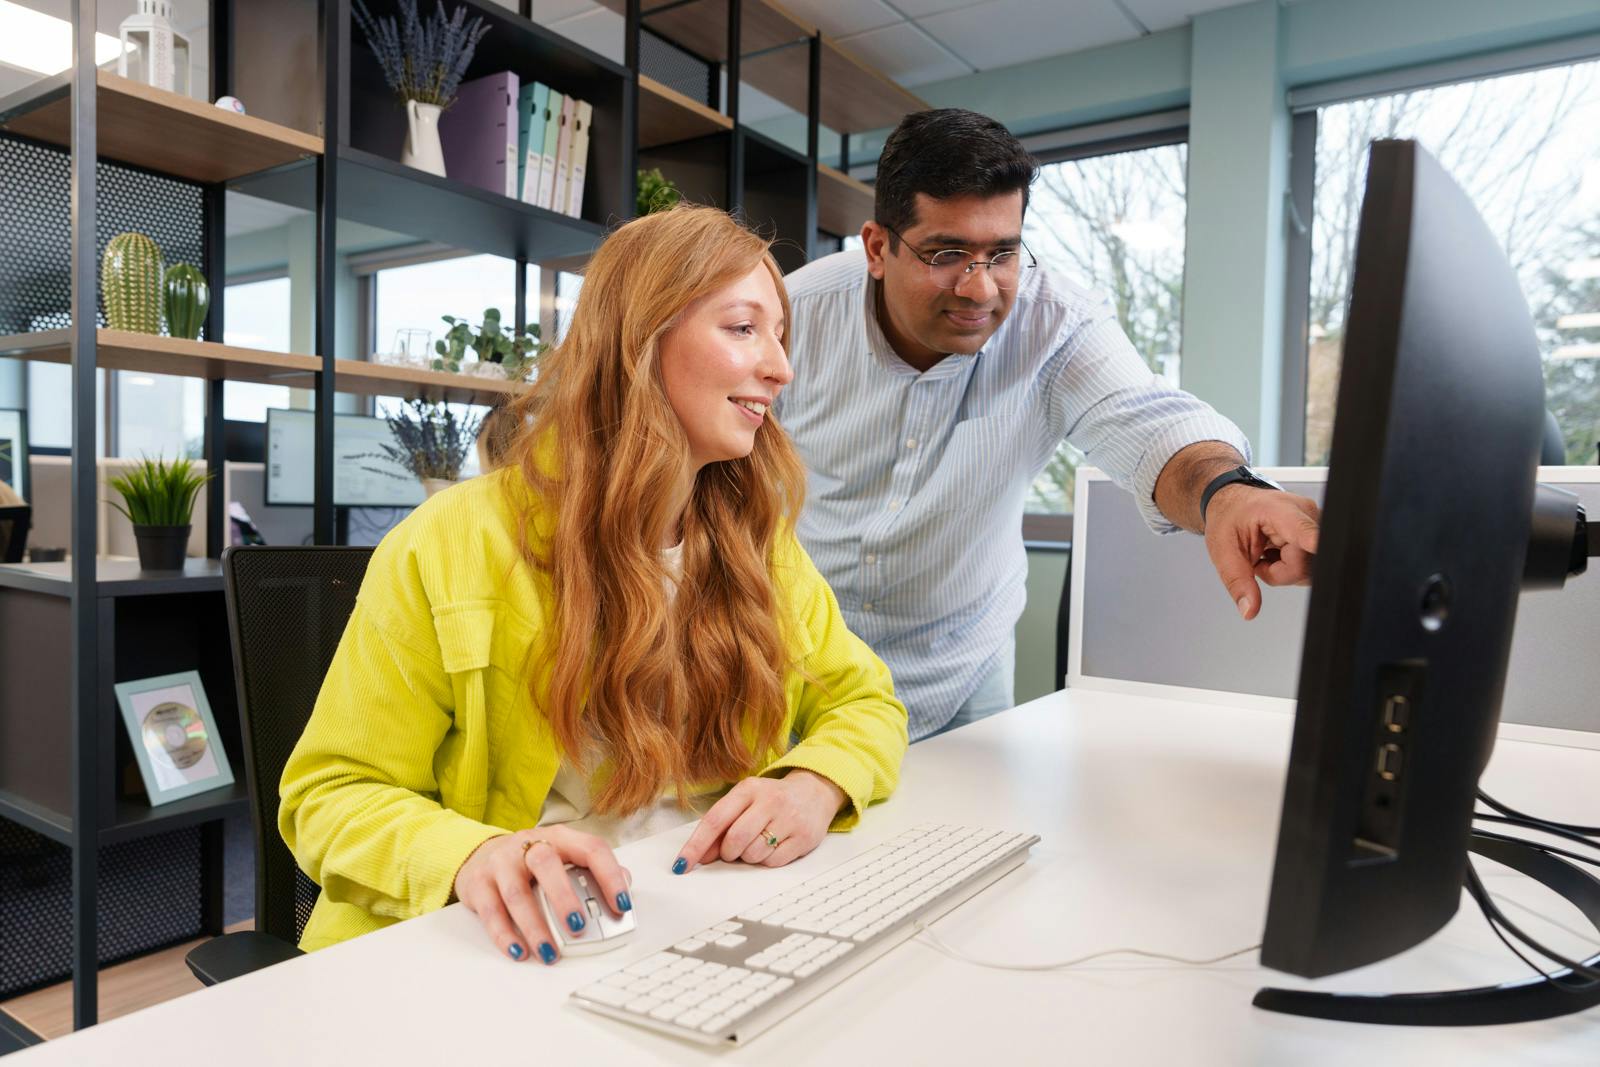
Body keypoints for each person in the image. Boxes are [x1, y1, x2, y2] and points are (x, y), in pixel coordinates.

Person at [279, 205, 909, 965]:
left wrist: (816, 782)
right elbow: (330, 794)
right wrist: (471, 856)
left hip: (708, 921)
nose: (781, 367)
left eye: (780, 334)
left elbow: (867, 702)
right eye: (744, 328)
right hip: (504, 943)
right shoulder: (451, 542)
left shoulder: (758, 544)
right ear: (639, 341)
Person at [780, 108, 1321, 740]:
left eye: (1002, 253)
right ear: (877, 247)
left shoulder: (1057, 322)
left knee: (971, 840)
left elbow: (1148, 424)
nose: (979, 289)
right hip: (799, 665)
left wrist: (1226, 493)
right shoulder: (794, 316)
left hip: (961, 673)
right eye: (946, 253)